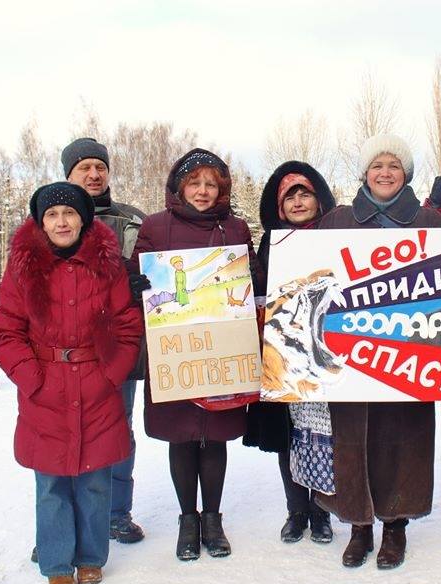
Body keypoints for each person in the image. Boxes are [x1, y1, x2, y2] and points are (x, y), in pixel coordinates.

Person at [0, 182, 143, 584]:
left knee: (95, 478)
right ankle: (57, 563)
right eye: (52, 215)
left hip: (96, 382)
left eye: (69, 214)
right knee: (52, 481)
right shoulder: (24, 266)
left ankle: (91, 558)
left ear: (83, 219)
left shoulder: (105, 264)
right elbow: (6, 329)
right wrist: (30, 377)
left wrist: (112, 373)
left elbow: (126, 324)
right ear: (41, 223)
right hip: (46, 387)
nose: (62, 221)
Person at [316, 133, 441, 570]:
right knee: (353, 441)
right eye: (378, 165)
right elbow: (315, 276)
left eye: (394, 165)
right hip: (349, 354)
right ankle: (359, 526)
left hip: (409, 353)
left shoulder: (428, 221)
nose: (385, 172)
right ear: (365, 173)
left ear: (406, 173)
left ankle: (395, 526)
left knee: (403, 439)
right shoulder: (337, 221)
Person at [130, 148, 261, 561]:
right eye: (195, 183)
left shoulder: (236, 227)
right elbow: (137, 277)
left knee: (215, 436)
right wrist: (138, 285)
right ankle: (189, 518)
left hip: (222, 350)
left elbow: (253, 278)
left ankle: (213, 519)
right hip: (177, 352)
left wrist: (250, 273)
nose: (203, 191)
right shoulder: (156, 226)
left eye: (211, 184)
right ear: (179, 187)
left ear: (221, 189)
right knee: (182, 437)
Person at [243, 161, 336, 545]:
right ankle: (296, 510)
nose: (298, 201)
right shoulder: (270, 242)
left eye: (304, 193)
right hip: (283, 352)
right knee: (289, 435)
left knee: (327, 434)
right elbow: (258, 290)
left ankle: (322, 511)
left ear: (318, 198)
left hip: (330, 349)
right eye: (289, 196)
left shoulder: (338, 234)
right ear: (279, 207)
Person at [62, 137, 148, 544]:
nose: (94, 175)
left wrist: (142, 283)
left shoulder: (133, 220)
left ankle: (116, 512)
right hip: (65, 351)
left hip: (118, 346)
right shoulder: (52, 220)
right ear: (69, 175)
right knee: (67, 431)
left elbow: (161, 268)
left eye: (100, 167)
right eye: (84, 168)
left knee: (118, 428)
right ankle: (62, 520)